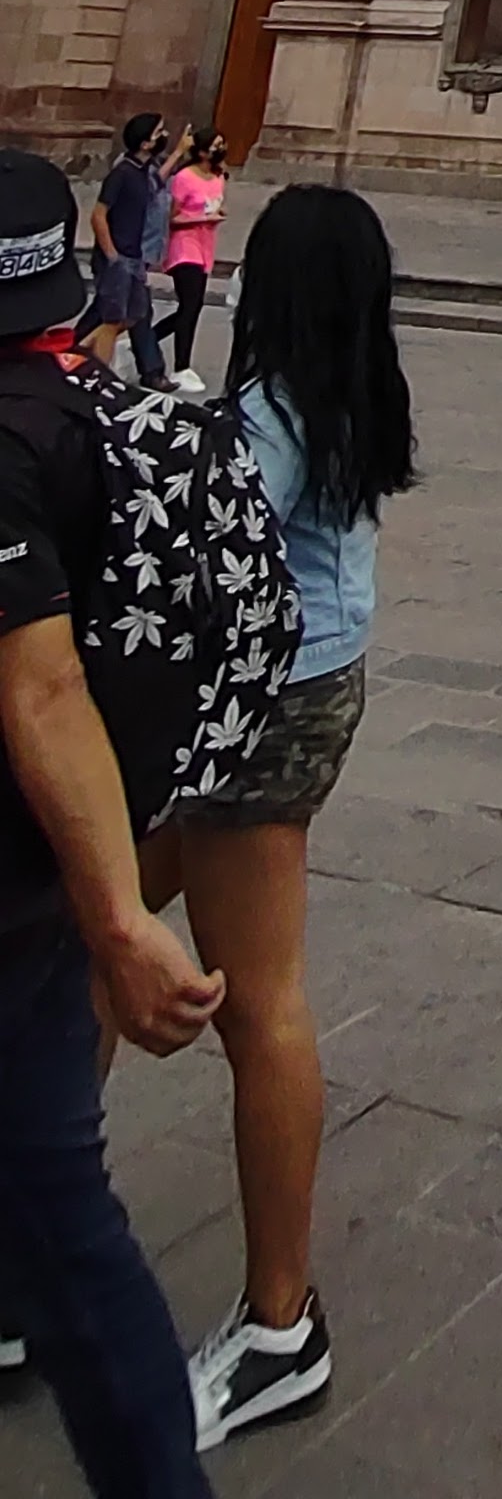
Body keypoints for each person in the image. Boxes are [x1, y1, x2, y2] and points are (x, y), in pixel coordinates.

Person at [139, 183, 416, 1448]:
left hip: (259, 708)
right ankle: (44, 1215)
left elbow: (210, 543)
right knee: (96, 910)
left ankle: (279, 1325)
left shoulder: (278, 407)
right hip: (310, 684)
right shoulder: (352, 383)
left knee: (257, 999)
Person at [0, 144, 227, 1495]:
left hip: (23, 890)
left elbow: (40, 688)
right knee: (67, 1225)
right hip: (37, 880)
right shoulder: (101, 413)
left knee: (66, 1227)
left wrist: (123, 920)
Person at [83, 114, 169, 389]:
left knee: (135, 314)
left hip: (135, 256)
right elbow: (98, 215)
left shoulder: (145, 172)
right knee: (113, 319)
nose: (164, 136)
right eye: (159, 132)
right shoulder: (122, 173)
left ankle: (79, 350)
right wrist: (112, 256)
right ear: (145, 143)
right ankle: (99, 376)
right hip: (119, 258)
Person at [162, 131, 228, 390]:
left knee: (192, 307)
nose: (220, 149)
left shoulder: (219, 177)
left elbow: (215, 205)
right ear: (201, 151)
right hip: (184, 246)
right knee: (190, 305)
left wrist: (217, 214)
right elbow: (173, 217)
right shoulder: (184, 178)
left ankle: (145, 341)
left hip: (205, 247)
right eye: (215, 145)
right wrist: (202, 219)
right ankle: (181, 366)